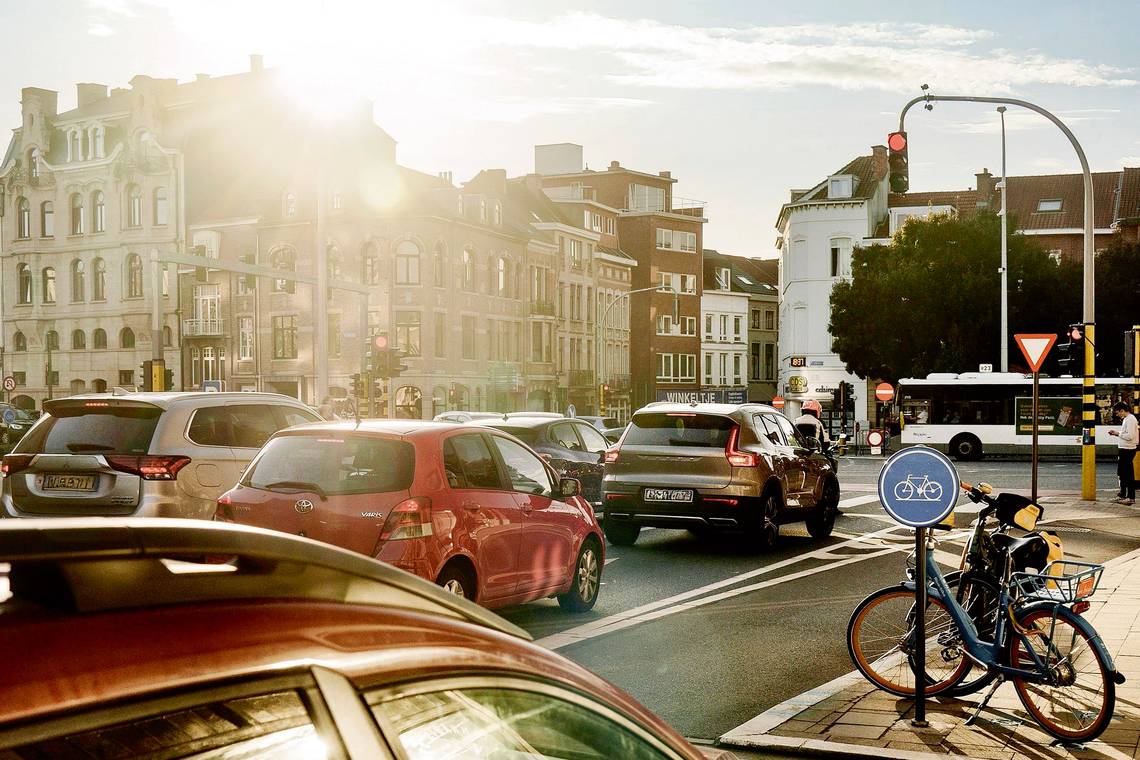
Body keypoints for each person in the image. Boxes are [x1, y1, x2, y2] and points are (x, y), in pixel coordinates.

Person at [1108, 402, 1137, 505]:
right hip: (1124, 449)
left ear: (1122, 410)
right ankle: (1122, 495)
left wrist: (1117, 433)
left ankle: (1130, 497)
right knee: (1122, 473)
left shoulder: (1131, 419)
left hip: (1128, 450)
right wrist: (1118, 434)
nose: (1117, 415)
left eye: (1117, 412)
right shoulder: (1126, 419)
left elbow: (1130, 436)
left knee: (1128, 474)